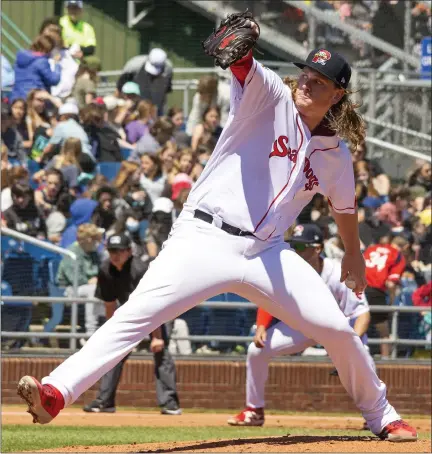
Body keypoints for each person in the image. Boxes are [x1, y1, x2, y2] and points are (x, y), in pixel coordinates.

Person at [17, 19, 417, 441]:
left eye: (319, 81)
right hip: (204, 237)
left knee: (336, 328)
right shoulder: (271, 98)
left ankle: (382, 414)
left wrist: (353, 252)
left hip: (268, 252)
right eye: (305, 74)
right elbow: (247, 67)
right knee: (135, 317)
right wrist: (242, 54)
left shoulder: (334, 153)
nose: (307, 83)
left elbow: (345, 207)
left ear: (337, 94)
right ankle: (55, 392)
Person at [227, 224, 373, 427]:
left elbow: (362, 314)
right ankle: (254, 410)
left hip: (338, 328)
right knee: (256, 350)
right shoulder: (290, 270)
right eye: (293, 245)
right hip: (304, 327)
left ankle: (374, 415)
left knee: (362, 353)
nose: (296, 251)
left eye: (302, 246)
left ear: (318, 249)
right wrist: (261, 326)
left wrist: (352, 345)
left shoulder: (339, 272)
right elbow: (270, 297)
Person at [83, 233, 182, 415]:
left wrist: (156, 338)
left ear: (129, 251)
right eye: (112, 251)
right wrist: (111, 333)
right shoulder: (106, 270)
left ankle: (170, 403)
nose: (115, 255)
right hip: (132, 314)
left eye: (119, 251)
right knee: (113, 352)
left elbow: (153, 305)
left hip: (159, 312)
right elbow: (110, 304)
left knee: (161, 351)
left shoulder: (140, 269)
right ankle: (105, 402)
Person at [364, 236, 410, 359]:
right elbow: (391, 283)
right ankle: (386, 360)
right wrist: (391, 301)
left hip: (355, 288)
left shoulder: (372, 248)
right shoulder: (398, 256)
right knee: (384, 331)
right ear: (405, 247)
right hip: (375, 290)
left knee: (356, 324)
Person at [57, 223, 104, 337]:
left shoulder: (93, 253)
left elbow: (100, 271)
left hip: (89, 287)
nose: (97, 242)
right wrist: (89, 281)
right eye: (95, 239)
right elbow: (74, 279)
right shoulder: (72, 252)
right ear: (87, 239)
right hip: (69, 289)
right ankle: (90, 334)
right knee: (93, 290)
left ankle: (104, 329)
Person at [117, 48, 173, 116]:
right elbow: (119, 88)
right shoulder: (133, 65)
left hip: (156, 108)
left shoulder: (168, 69)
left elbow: (166, 91)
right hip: (134, 107)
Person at [11, 35, 61, 103]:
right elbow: (54, 80)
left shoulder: (20, 58)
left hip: (17, 99)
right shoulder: (41, 61)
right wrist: (57, 63)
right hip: (32, 100)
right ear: (47, 49)